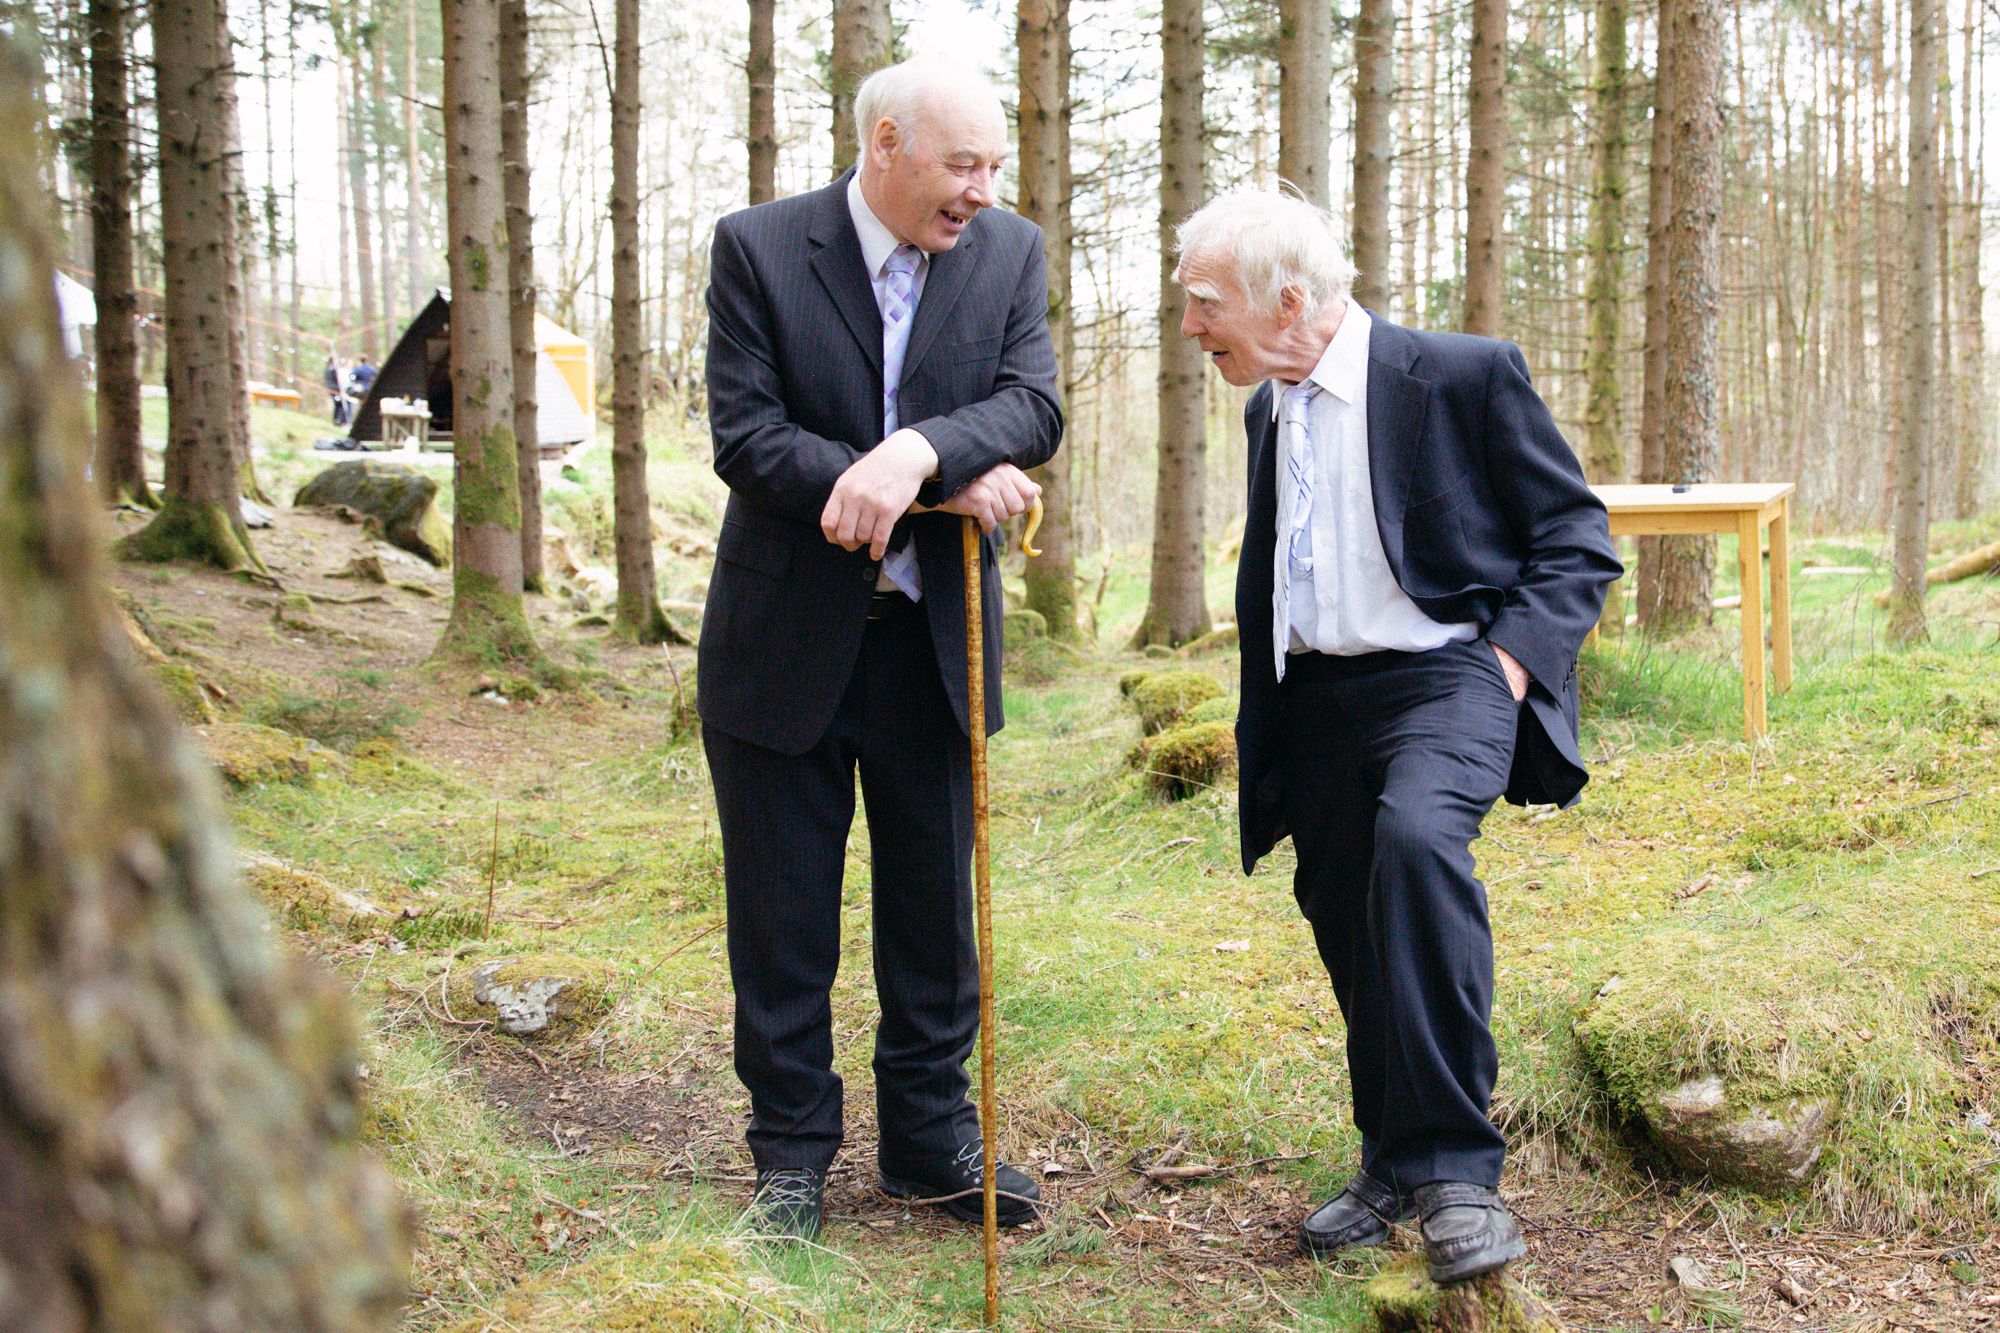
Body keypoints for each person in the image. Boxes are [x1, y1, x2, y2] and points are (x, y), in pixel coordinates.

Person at [1173, 188, 1619, 1284]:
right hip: (1315, 698)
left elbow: (1575, 537)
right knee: (1346, 907)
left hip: (1446, 676)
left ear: (1284, 300)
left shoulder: (1460, 374)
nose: (1190, 328)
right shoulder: (1262, 405)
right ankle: (1390, 1157)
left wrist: (1507, 664)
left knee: (1417, 848)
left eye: (1202, 304)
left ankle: (1458, 1172)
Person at [698, 56, 1062, 1241]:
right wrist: (910, 480)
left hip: (934, 641)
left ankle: (927, 1138)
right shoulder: (757, 247)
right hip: (778, 640)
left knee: (930, 912)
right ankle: (791, 1155)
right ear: (888, 144)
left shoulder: (1008, 252)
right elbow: (747, 438)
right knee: (782, 912)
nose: (982, 189)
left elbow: (1032, 406)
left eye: (995, 165)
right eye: (963, 164)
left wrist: (915, 450)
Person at [323, 353, 349, 427]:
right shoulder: (333, 369)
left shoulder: (328, 368)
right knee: (338, 405)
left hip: (331, 388)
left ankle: (337, 420)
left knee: (337, 404)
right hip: (335, 389)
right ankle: (337, 420)